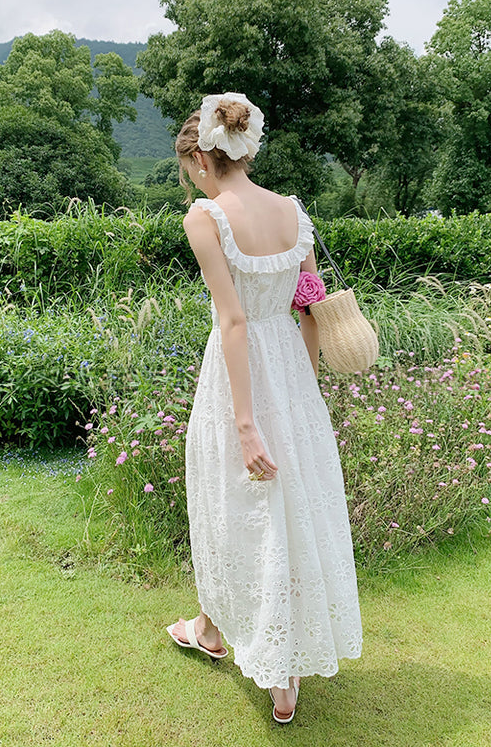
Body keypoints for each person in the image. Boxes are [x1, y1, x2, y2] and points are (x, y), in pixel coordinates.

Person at [166, 93, 362, 724]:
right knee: (288, 506)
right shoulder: (294, 212)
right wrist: (299, 392)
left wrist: (248, 421)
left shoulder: (206, 216)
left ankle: (271, 667)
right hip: (290, 371)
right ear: (248, 146)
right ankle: (218, 632)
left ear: (200, 158)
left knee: (232, 500)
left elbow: (232, 320)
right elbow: (310, 302)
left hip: (238, 380)